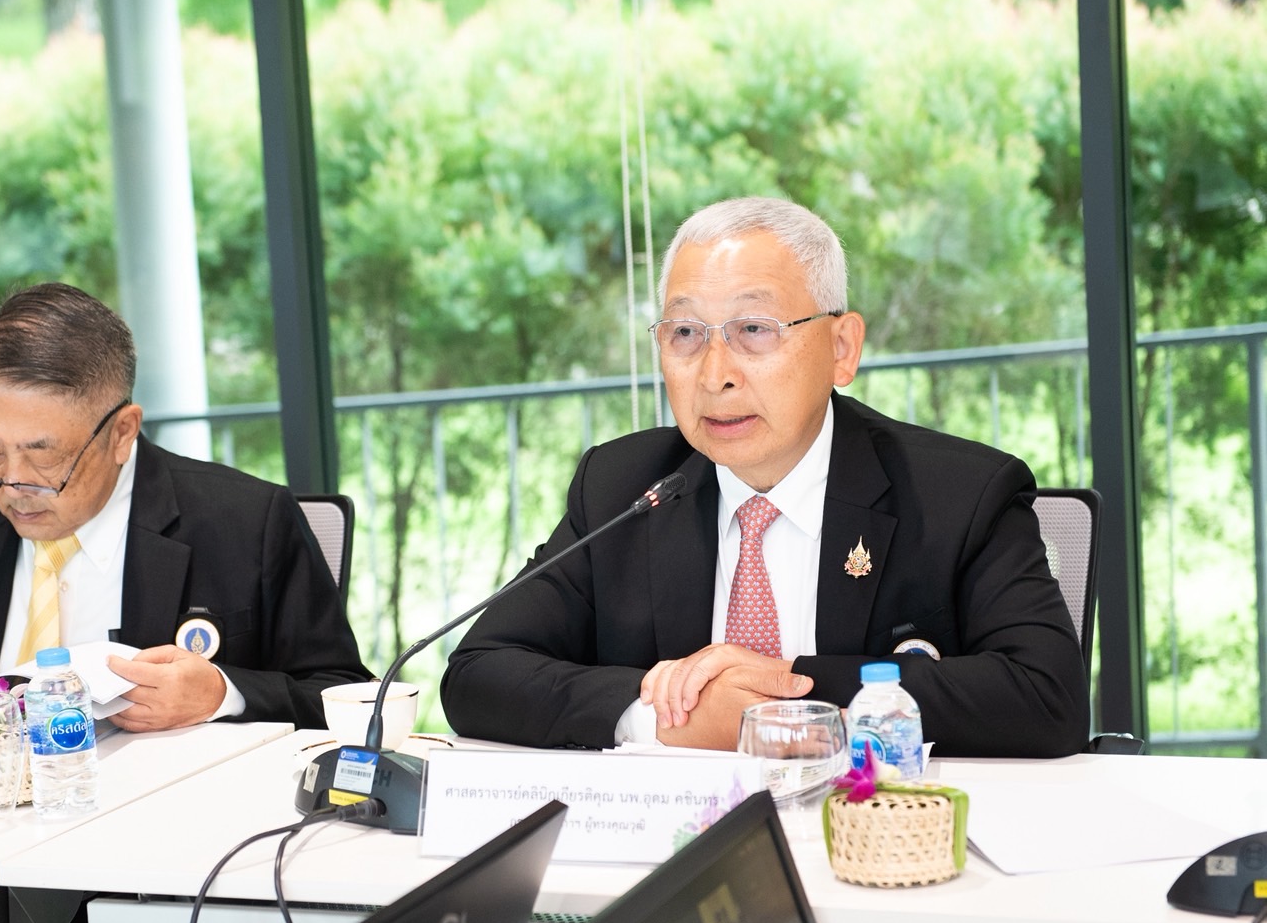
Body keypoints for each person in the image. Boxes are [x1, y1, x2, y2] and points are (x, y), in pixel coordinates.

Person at [442, 197, 1088, 757]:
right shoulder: (623, 486)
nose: (715, 373)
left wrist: (781, 694)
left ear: (841, 348)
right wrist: (667, 719)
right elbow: (479, 675)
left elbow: (1047, 697)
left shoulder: (961, 493)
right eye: (686, 332)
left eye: (754, 329)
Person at [0, 282, 370, 739]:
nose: (10, 482)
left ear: (122, 432)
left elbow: (348, 698)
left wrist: (224, 693)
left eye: (43, 454)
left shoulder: (244, 521)